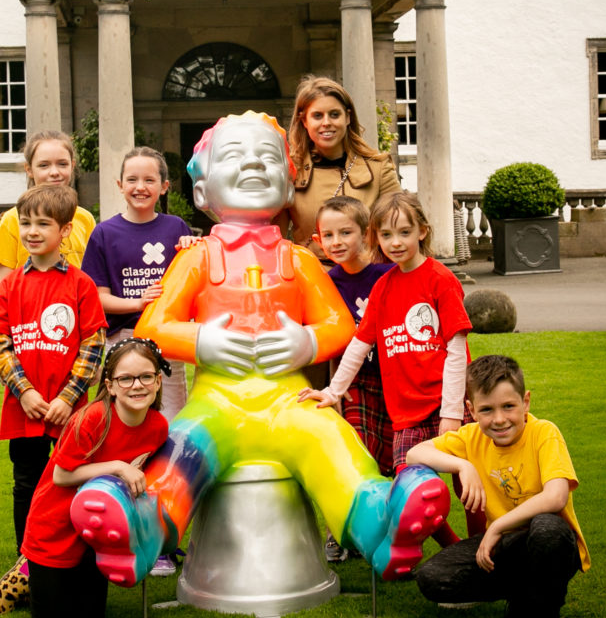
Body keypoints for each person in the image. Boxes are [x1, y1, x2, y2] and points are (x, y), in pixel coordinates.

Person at [69, 112, 451, 588]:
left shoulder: (300, 260)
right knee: (182, 449)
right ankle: (147, 525)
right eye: (235, 156)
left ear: (289, 189)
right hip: (217, 405)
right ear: (204, 193)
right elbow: (154, 326)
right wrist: (202, 341)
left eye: (268, 158)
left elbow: (340, 323)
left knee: (330, 441)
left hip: (289, 403)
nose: (253, 165)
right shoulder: (196, 258)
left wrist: (307, 341)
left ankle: (377, 519)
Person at [406, 355, 589, 618]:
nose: (500, 419)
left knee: (546, 529)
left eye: (508, 406)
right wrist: (462, 465)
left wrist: (496, 526)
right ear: (470, 410)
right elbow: (414, 454)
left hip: (553, 546)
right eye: (487, 410)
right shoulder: (471, 437)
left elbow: (556, 496)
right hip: (505, 547)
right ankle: (522, 600)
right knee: (432, 578)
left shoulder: (544, 433)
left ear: (526, 402)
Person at [0, 184, 107, 613]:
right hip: (26, 409)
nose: (32, 232)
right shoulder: (10, 286)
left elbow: (93, 344)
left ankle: (74, 559)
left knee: (74, 482)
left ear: (66, 230)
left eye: (43, 224)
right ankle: (28, 563)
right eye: (26, 224)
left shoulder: (81, 284)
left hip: (69, 412)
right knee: (27, 484)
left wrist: (67, 398)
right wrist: (27, 392)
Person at [300, 190, 471, 472]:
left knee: (471, 487)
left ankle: (499, 520)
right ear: (376, 237)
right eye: (387, 235)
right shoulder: (383, 286)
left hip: (446, 401)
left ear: (422, 231)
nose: (396, 242)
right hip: (405, 410)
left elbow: (457, 349)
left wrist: (452, 412)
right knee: (408, 488)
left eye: (404, 232)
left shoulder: (440, 279)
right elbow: (359, 343)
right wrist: (334, 391)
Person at [80, 146, 192, 577]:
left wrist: (194, 247)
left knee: (169, 436)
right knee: (125, 439)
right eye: (132, 179)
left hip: (168, 350)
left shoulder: (177, 229)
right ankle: (126, 530)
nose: (140, 187)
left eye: (150, 180)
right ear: (119, 185)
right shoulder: (105, 235)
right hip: (124, 346)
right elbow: (98, 296)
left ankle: (165, 537)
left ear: (164, 187)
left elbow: (197, 275)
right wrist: (136, 300)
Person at [22, 338, 170, 618]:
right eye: (125, 378)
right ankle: (25, 577)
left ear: (157, 381)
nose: (136, 385)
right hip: (55, 524)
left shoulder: (158, 427)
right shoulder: (95, 418)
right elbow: (62, 476)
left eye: (145, 376)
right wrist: (118, 466)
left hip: (97, 531)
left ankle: (41, 583)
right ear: (110, 385)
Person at [312, 196, 395, 563]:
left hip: (393, 377)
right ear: (318, 240)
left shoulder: (387, 274)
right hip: (354, 382)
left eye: (346, 232)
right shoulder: (326, 283)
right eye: (328, 235)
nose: (337, 241)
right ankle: (338, 531)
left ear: (366, 234)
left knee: (394, 456)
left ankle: (388, 529)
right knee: (355, 451)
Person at [283, 75, 401, 260]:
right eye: (317, 116)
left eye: (334, 114)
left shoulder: (378, 168)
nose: (326, 122)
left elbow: (398, 228)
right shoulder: (289, 171)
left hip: (368, 278)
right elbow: (276, 236)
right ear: (304, 121)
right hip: (312, 278)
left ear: (347, 117)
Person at [0, 130, 96, 285]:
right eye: (44, 165)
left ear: (72, 166)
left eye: (62, 164)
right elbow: (4, 288)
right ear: (29, 169)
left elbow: (92, 278)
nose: (54, 172)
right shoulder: (13, 219)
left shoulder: (84, 218)